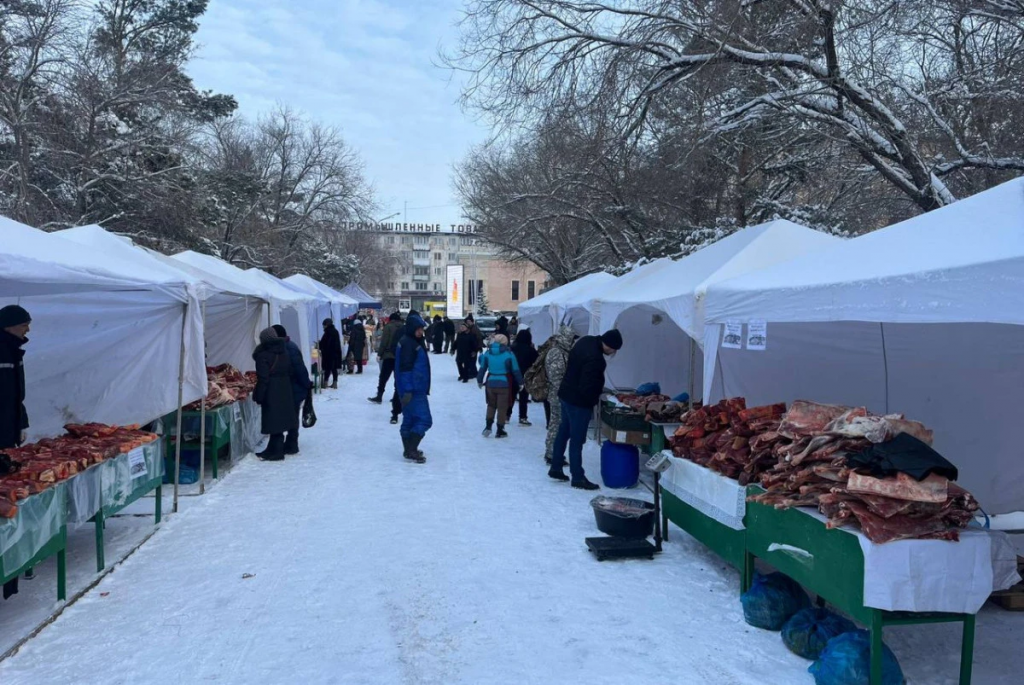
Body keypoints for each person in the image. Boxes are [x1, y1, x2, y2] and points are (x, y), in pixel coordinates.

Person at [548, 329, 623, 490]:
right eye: (614, 349)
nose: (614, 352)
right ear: (609, 345)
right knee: (577, 439)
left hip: (565, 394)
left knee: (563, 431)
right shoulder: (596, 360)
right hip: (579, 402)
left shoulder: (585, 340)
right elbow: (587, 386)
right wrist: (593, 402)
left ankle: (555, 467)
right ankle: (578, 477)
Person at [1, 305, 31, 600]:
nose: (28, 330)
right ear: (10, 325)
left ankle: (15, 565)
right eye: (24, 325)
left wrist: (21, 422)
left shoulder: (14, 350)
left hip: (8, 432)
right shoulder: (3, 350)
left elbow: (15, 395)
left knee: (10, 491)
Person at [252, 327, 296, 461]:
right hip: (284, 388)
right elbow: (290, 370)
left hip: (271, 389)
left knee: (273, 419)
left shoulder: (263, 356)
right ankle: (272, 449)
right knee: (279, 419)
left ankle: (276, 452)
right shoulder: (284, 352)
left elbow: (263, 378)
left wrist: (259, 395)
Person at [395, 314, 431, 463]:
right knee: (424, 420)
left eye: (422, 329)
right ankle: (411, 449)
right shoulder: (410, 344)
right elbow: (405, 369)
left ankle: (408, 449)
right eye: (418, 329)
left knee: (409, 419)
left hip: (408, 389)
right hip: (414, 390)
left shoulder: (408, 341)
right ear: (411, 328)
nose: (421, 332)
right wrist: (409, 389)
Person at [271, 324, 312, 455]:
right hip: (293, 388)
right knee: (292, 416)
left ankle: (292, 444)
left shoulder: (289, 348)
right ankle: (290, 443)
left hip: (294, 388)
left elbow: (299, 369)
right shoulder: (290, 346)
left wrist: (306, 384)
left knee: (292, 417)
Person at [476, 334, 522, 438]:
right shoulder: (509, 354)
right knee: (502, 407)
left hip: (490, 382)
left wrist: (479, 380)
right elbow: (515, 370)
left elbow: (482, 368)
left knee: (491, 405)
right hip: (504, 383)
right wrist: (520, 382)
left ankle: (488, 426)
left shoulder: (488, 353)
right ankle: (500, 429)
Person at [543, 325, 576, 464]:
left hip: (560, 393)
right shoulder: (557, 352)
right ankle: (552, 453)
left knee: (557, 423)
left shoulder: (562, 350)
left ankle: (553, 452)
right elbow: (555, 377)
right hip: (558, 394)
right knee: (557, 424)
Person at [369, 312, 403, 406]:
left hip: (388, 355)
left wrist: (379, 354)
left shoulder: (388, 327)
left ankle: (379, 396)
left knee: (383, 377)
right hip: (400, 356)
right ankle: (396, 397)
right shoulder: (403, 327)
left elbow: (384, 342)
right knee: (398, 378)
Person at [508, 328, 538, 426]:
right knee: (524, 397)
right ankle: (523, 417)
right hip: (526, 375)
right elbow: (536, 362)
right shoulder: (531, 350)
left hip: (513, 375)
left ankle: (506, 415)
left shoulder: (512, 348)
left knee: (511, 396)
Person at [319, 318, 342, 389]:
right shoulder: (335, 331)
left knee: (327, 368)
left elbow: (325, 343)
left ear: (327, 325)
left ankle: (325, 383)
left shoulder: (327, 332)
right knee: (334, 368)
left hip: (328, 353)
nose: (323, 327)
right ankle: (335, 383)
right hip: (336, 353)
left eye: (324, 325)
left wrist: (320, 344)